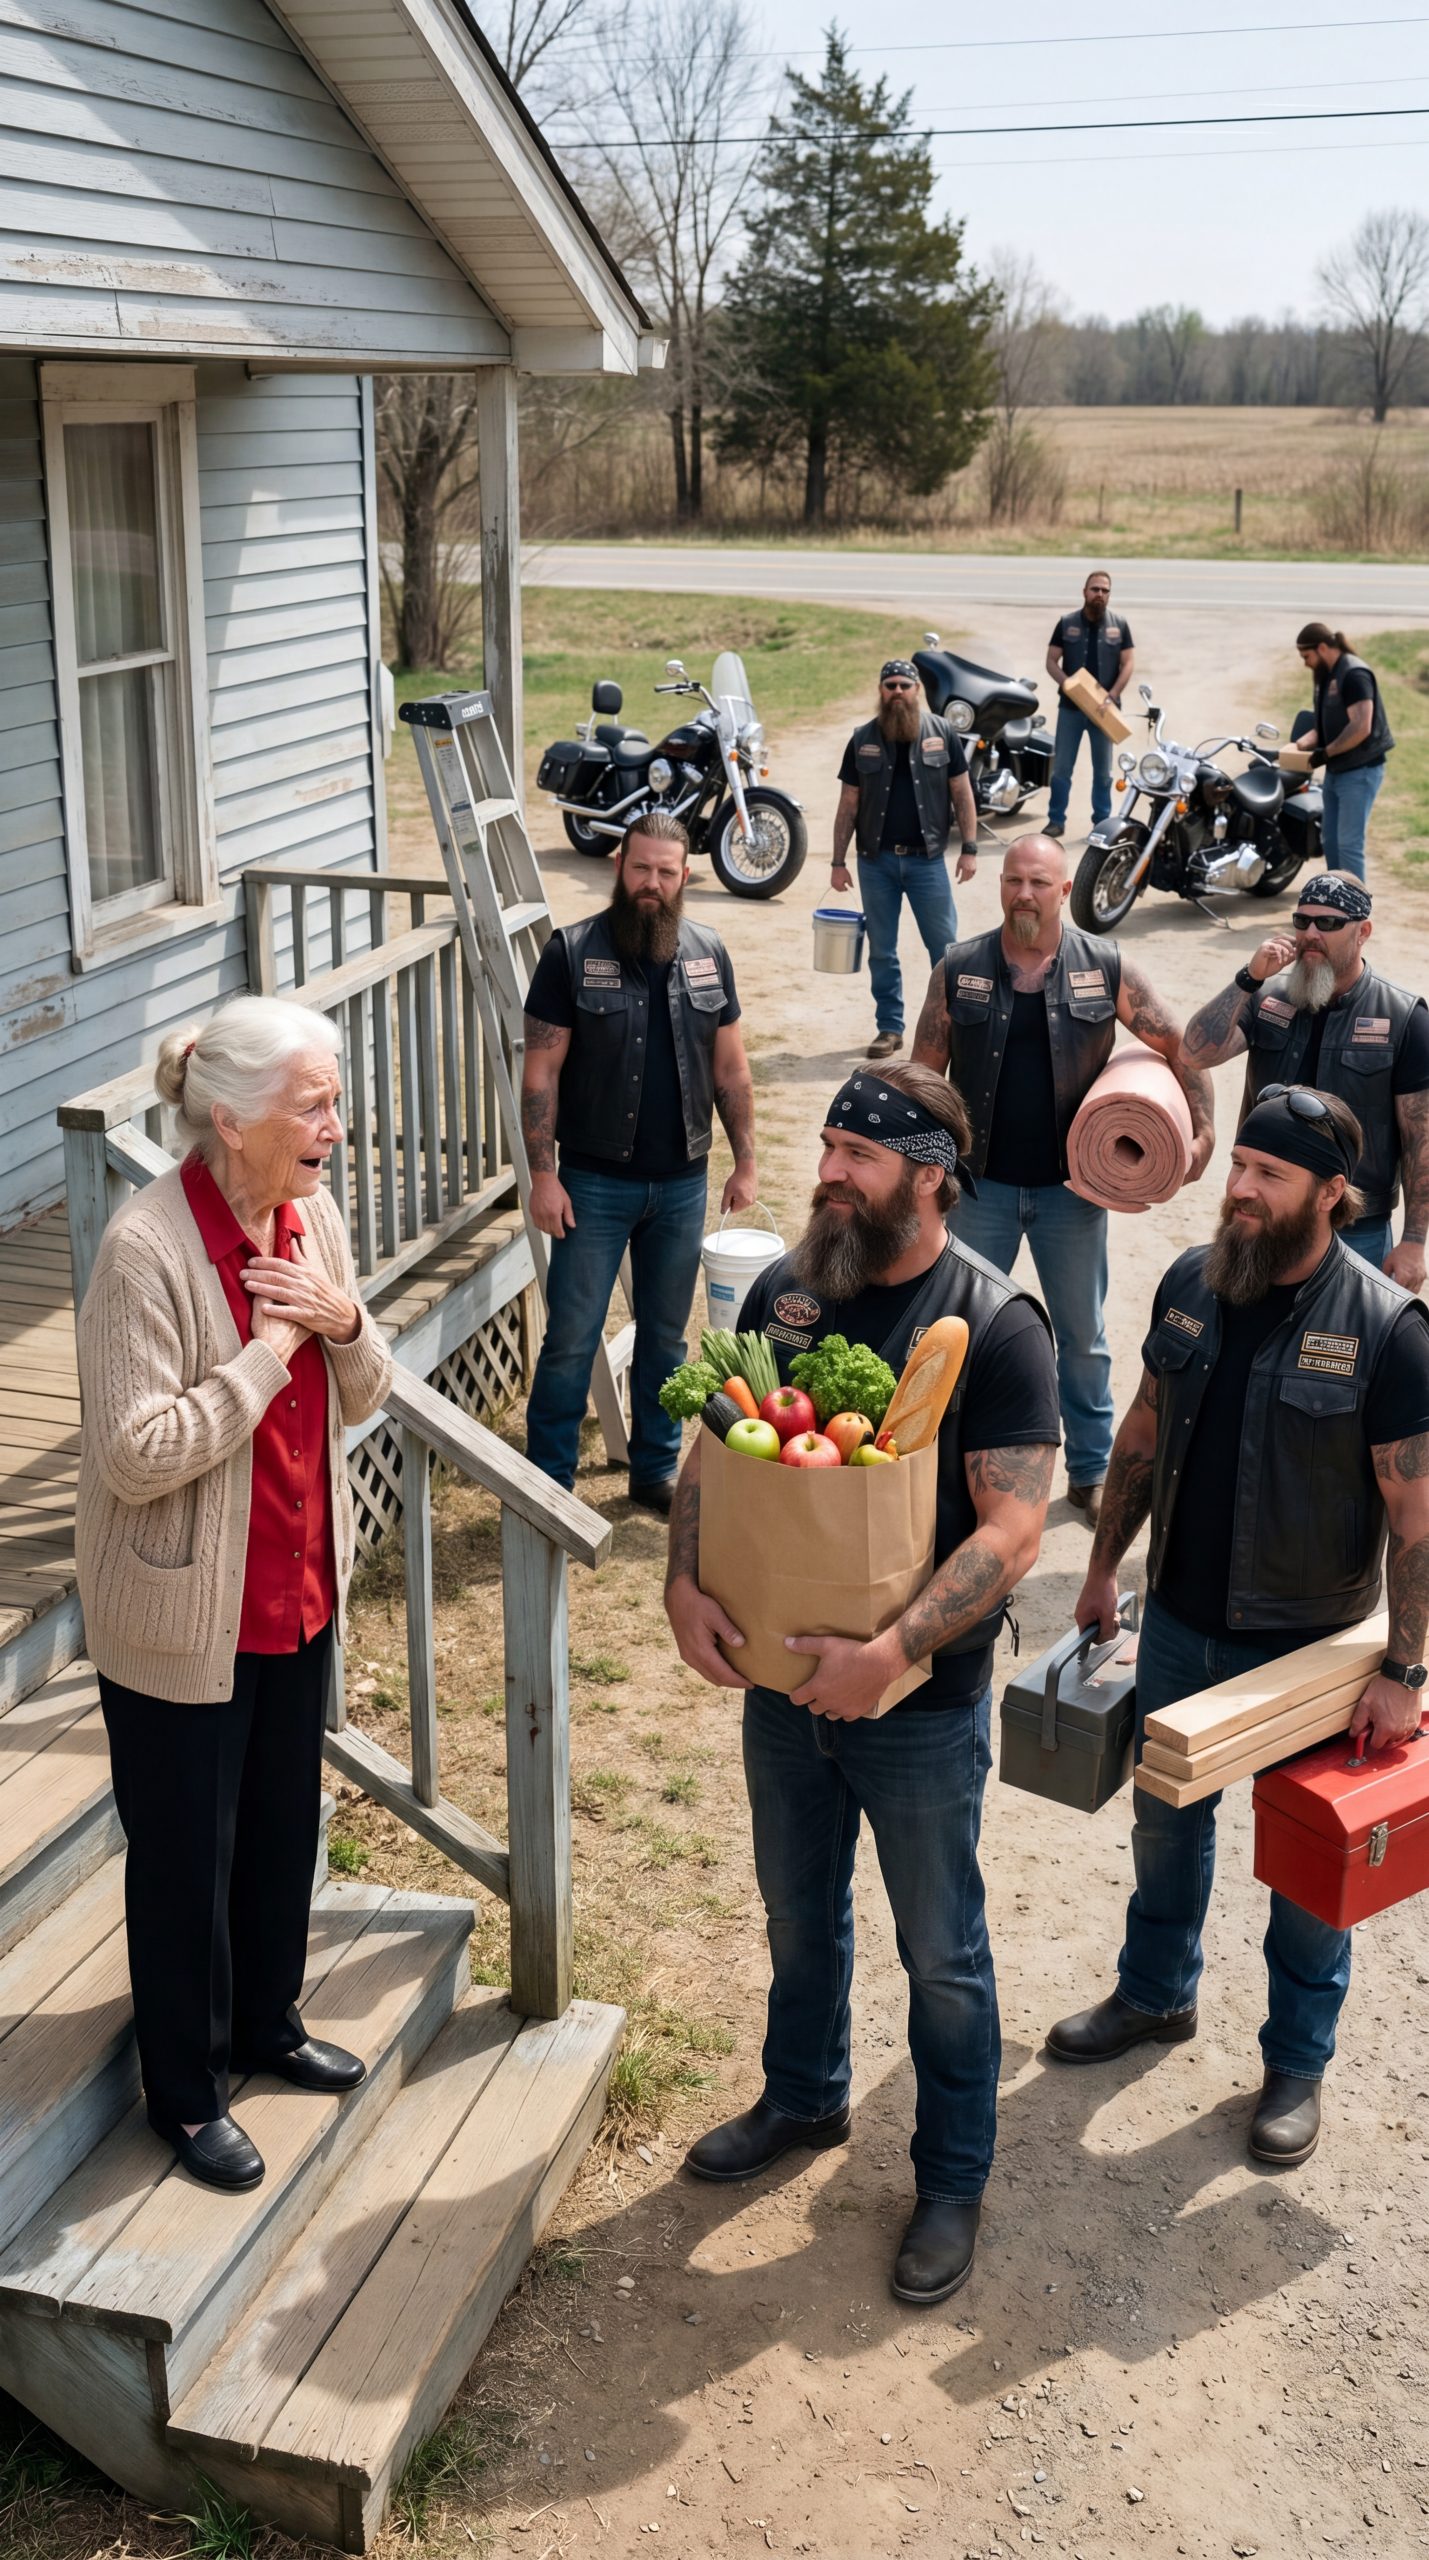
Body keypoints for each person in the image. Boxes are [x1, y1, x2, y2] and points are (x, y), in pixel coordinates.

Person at [665, 1063, 1060, 2305]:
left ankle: (951, 2177)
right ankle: (803, 2097)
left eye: (858, 1155)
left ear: (929, 1176)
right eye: (828, 1145)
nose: (827, 1172)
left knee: (940, 1951)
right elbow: (712, 1452)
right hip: (778, 1691)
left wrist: (891, 1653)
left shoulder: (995, 1326)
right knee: (797, 1915)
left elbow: (1014, 1530)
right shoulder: (790, 1293)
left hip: (918, 1713)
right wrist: (682, 1584)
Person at [1047, 1086, 1429, 2168]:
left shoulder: (1386, 1331)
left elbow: (1416, 1513)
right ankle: (1154, 1996)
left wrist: (1403, 1668)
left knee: (1309, 1870)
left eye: (1269, 1175)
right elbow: (1140, 1430)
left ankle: (1295, 2065)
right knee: (1166, 1830)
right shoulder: (1192, 1282)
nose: (1243, 1191)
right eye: (1240, 1169)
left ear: (1331, 1193)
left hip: (1305, 1652)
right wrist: (1099, 1566)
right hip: (1176, 1620)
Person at [75, 998, 394, 2193]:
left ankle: (268, 2022)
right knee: (182, 1858)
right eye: (313, 1104)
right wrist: (266, 1353)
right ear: (232, 1117)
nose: (337, 1127)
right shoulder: (146, 1251)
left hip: (294, 1591)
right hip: (175, 1616)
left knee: (277, 1830)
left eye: (335, 1099)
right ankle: (188, 2091)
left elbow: (363, 1388)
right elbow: (133, 1452)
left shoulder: (309, 1214)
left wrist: (343, 1320)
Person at [911, 833, 1214, 1527]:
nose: (1023, 893)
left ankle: (1087, 1471)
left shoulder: (1103, 965)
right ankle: (954, 1462)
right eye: (1013, 880)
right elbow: (924, 1076)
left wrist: (1201, 1132)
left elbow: (1181, 1044)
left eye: (1038, 883)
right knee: (961, 1332)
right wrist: (918, 1169)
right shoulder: (958, 968)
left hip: (1072, 1196)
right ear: (1000, 886)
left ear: (1060, 890)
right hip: (978, 1191)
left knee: (1082, 1339)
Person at [522, 812, 756, 1514]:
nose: (651, 883)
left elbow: (732, 1069)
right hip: (590, 1184)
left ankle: (653, 1471)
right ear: (619, 867)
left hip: (683, 1183)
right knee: (570, 1338)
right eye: (640, 868)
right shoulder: (569, 952)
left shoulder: (709, 952)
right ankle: (546, 1483)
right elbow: (540, 1075)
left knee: (665, 1339)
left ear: (684, 877)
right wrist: (542, 1174)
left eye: (665, 872)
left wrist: (744, 1162)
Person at [1184, 873, 1429, 1293]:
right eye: (1302, 921)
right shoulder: (1266, 997)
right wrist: (1249, 977)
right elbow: (1196, 1052)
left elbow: (1420, 1139)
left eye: (1328, 923)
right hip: (1262, 1215)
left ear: (1362, 931)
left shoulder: (1404, 1017)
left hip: (1356, 1229)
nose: (1310, 934)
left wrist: (1413, 1241)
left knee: (1346, 1348)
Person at [830, 659, 980, 1061]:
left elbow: (962, 793)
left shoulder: (942, 732)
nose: (897, 692)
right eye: (890, 685)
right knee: (882, 949)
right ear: (881, 691)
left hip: (926, 862)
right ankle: (890, 1028)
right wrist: (837, 860)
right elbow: (848, 803)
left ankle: (952, 1023)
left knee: (944, 948)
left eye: (904, 685)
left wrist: (969, 847)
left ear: (917, 690)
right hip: (875, 863)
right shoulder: (862, 738)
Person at [1292, 623, 1394, 885]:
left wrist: (1325, 754)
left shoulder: (1354, 674)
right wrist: (1298, 746)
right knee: (1332, 841)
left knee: (1349, 843)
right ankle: (1337, 902)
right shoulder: (1327, 675)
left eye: (1307, 657)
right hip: (1338, 769)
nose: (1305, 664)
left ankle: (1356, 911)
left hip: (1360, 770)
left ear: (1322, 648)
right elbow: (1325, 724)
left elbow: (1361, 727)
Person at [1044, 571, 1134, 841]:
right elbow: (1051, 660)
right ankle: (1056, 820)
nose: (1100, 595)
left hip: (1103, 711)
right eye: (1095, 589)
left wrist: (1114, 693)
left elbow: (1128, 663)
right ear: (1084, 591)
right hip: (1071, 709)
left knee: (1104, 772)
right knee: (1061, 768)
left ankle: (1101, 822)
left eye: (1105, 591)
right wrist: (1066, 683)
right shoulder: (1067, 623)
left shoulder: (1119, 624)